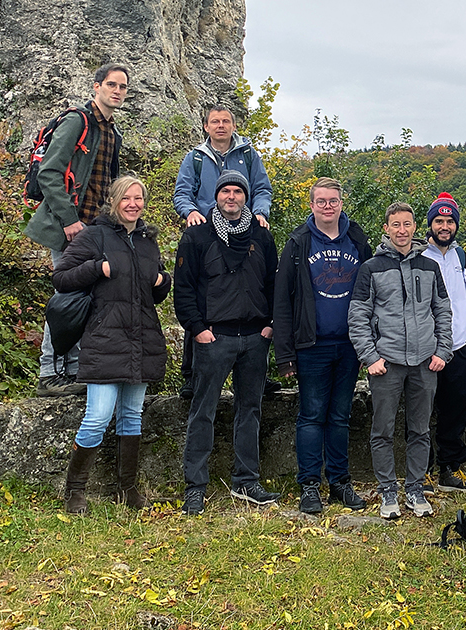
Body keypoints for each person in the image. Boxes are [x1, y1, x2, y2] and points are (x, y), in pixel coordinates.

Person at [52, 176, 171, 514]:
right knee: (98, 416)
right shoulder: (95, 235)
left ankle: (128, 490)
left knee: (132, 416)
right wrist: (96, 267)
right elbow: (61, 277)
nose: (133, 204)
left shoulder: (148, 240)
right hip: (105, 338)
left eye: (139, 198)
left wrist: (163, 281)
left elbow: (154, 291)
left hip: (142, 337)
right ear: (115, 201)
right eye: (126, 198)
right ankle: (74, 491)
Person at [174, 170, 281, 515]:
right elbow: (184, 289)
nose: (231, 197)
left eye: (237, 191)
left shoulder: (262, 237)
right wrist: (197, 328)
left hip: (254, 337)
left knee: (249, 410)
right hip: (213, 337)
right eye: (226, 191)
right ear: (216, 196)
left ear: (246, 197)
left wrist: (269, 326)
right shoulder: (197, 236)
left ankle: (246, 481)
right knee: (202, 411)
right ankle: (196, 487)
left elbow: (273, 285)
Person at [25, 62, 129, 397]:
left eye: (122, 87)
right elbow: (50, 173)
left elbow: (109, 187)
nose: (117, 91)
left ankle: (71, 370)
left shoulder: (113, 133)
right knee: (67, 296)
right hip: (69, 227)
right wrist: (70, 220)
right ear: (96, 86)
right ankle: (49, 372)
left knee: (85, 297)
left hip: (96, 229)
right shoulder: (78, 122)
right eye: (112, 84)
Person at [273, 178, 372, 514]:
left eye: (333, 201)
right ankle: (310, 486)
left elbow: (372, 294)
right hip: (311, 346)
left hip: (349, 346)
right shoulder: (299, 243)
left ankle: (340, 483)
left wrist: (368, 344)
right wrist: (284, 355)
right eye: (321, 201)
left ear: (341, 203)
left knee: (340, 417)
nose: (327, 206)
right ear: (312, 205)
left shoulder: (357, 240)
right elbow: (282, 301)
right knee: (312, 417)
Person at [348, 202, 453, 519]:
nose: (402, 230)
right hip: (387, 363)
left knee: (420, 430)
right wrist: (370, 357)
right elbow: (358, 316)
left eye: (407, 224)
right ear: (386, 228)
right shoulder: (372, 268)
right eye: (396, 224)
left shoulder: (429, 266)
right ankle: (387, 492)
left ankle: (416, 489)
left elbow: (444, 312)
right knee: (383, 430)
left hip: (425, 362)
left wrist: (442, 351)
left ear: (414, 228)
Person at [173, 104, 276, 400]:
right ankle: (192, 376)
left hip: (243, 227)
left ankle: (259, 374)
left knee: (249, 292)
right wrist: (191, 212)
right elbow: (182, 192)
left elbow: (261, 189)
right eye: (215, 121)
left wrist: (259, 212)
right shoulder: (195, 158)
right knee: (202, 297)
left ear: (233, 125)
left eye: (226, 121)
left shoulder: (248, 154)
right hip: (206, 234)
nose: (220, 125)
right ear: (206, 126)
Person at [421, 193, 466, 491]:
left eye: (450, 221)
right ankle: (421, 471)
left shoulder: (461, 256)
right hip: (427, 348)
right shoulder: (419, 256)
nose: (444, 226)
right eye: (439, 221)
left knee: (457, 408)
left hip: (460, 344)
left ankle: (450, 468)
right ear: (430, 224)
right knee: (422, 410)